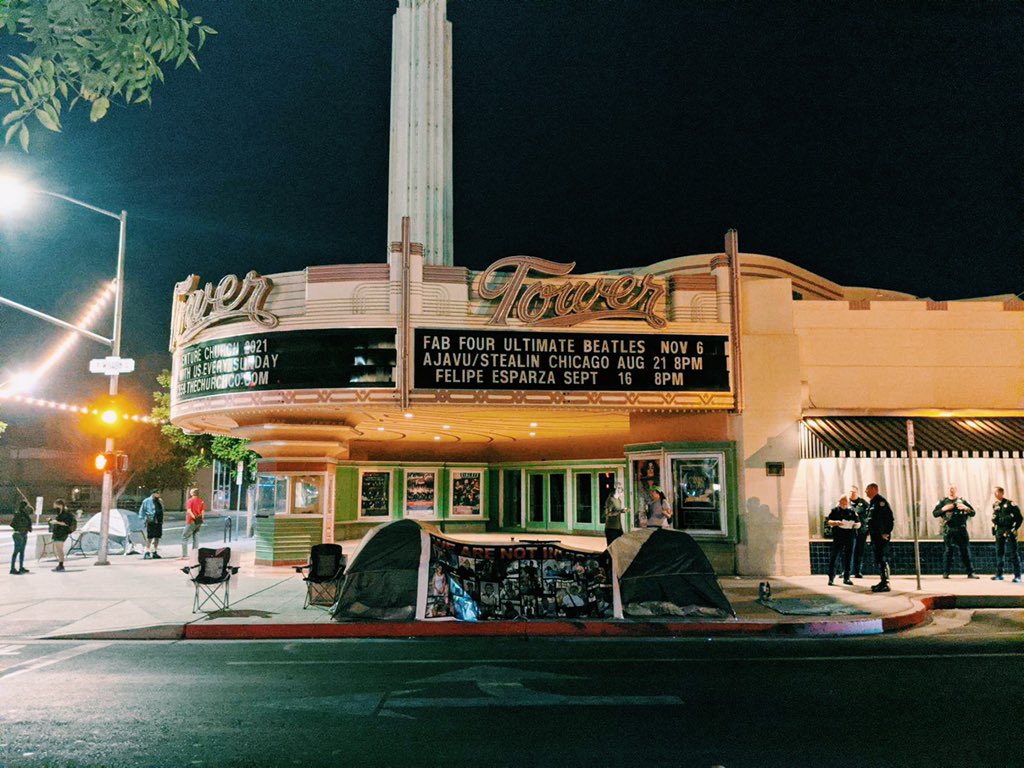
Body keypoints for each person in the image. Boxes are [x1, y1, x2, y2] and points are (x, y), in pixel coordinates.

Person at [932, 484, 977, 579]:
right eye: (949, 488)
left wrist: (965, 508)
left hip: (961, 529)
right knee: (948, 552)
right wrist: (944, 509)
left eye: (953, 488)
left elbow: (973, 513)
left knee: (965, 551)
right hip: (949, 530)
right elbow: (935, 513)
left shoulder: (962, 501)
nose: (951, 490)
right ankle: (946, 573)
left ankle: (970, 572)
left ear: (956, 490)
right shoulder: (943, 501)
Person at [865, 483, 894, 592]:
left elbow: (889, 519)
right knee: (878, 558)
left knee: (882, 558)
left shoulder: (881, 502)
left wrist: (886, 532)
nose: (865, 491)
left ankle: (886, 582)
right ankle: (882, 581)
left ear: (874, 489)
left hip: (881, 536)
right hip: (875, 536)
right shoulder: (873, 503)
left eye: (867, 489)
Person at [990, 486, 1022, 582]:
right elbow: (995, 518)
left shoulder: (1010, 504)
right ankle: (999, 574)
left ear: (1001, 493)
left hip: (1009, 530)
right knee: (999, 553)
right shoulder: (995, 505)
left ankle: (1017, 576)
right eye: (994, 493)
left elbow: (1019, 518)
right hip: (999, 531)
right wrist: (994, 528)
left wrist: (1014, 529)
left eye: (996, 492)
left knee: (1013, 553)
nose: (995, 494)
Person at [826, 496, 859, 586]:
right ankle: (831, 578)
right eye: (842, 502)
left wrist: (856, 525)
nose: (844, 504)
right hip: (838, 536)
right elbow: (829, 521)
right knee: (835, 556)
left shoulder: (852, 511)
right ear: (839, 502)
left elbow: (858, 522)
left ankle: (847, 577)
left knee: (849, 557)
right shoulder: (835, 511)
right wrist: (836, 522)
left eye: (845, 503)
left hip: (850, 536)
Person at [848, 485, 871, 578]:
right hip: (849, 531)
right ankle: (846, 571)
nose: (852, 494)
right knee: (848, 551)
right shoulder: (846, 502)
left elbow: (870, 515)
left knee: (859, 550)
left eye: (854, 492)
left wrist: (867, 527)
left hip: (862, 531)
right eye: (850, 492)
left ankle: (858, 571)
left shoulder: (863, 503)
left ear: (857, 492)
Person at [49, 499, 76, 572]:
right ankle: (60, 564)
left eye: (55, 505)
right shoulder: (59, 512)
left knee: (59, 549)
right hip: (58, 532)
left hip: (62, 532)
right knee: (58, 549)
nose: (54, 506)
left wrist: (56, 522)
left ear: (60, 505)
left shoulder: (66, 513)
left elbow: (66, 523)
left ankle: (61, 565)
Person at [139, 490, 165, 559]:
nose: (159, 495)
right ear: (153, 494)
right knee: (150, 537)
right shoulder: (147, 501)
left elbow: (162, 510)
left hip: (159, 520)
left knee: (157, 536)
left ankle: (154, 551)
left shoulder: (160, 501)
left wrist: (162, 519)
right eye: (157, 493)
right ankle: (147, 552)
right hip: (151, 520)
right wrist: (144, 520)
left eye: (159, 493)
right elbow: (142, 511)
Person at [10, 500, 32, 575]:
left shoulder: (25, 515)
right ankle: (12, 568)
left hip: (24, 534)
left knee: (22, 551)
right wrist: (19, 529)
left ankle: (21, 567)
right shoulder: (18, 514)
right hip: (18, 534)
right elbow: (12, 524)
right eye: (26, 506)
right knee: (16, 551)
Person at [182, 488, 205, 558]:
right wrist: (201, 519)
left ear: (192, 493)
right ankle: (194, 554)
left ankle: (185, 555)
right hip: (199, 521)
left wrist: (194, 517)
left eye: (191, 492)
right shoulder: (201, 501)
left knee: (184, 537)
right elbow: (202, 512)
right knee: (196, 537)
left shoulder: (190, 501)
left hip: (191, 520)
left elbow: (189, 511)